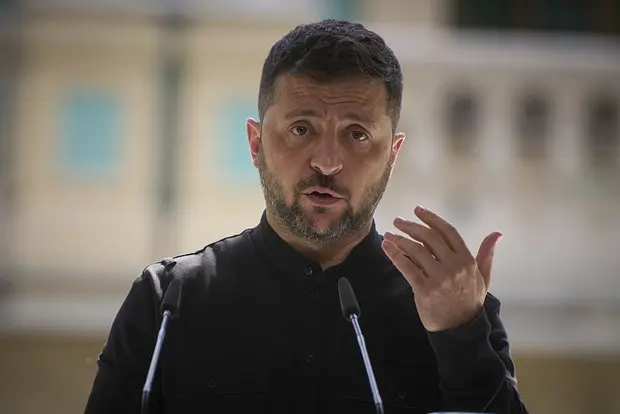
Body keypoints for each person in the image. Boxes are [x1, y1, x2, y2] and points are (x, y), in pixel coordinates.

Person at [85, 19, 529, 414]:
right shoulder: (168, 301)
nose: (328, 161)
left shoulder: (451, 308)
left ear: (392, 155)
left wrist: (460, 335)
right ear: (256, 144)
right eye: (302, 129)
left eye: (357, 134)